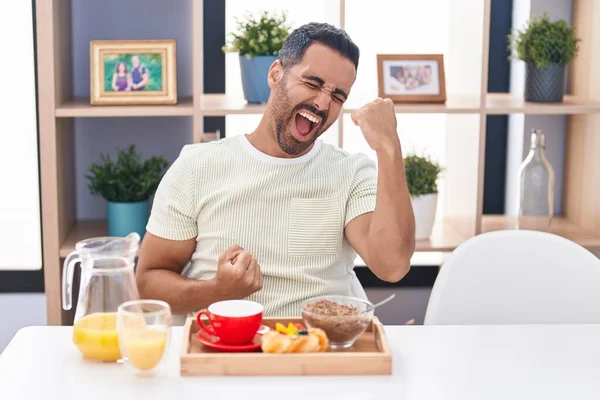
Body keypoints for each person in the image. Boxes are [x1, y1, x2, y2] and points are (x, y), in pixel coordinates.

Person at [135, 22, 416, 321]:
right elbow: (147, 284)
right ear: (275, 74)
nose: (323, 102)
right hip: (225, 350)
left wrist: (389, 149)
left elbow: (392, 266)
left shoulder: (351, 173)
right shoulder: (196, 166)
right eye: (312, 83)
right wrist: (217, 291)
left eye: (338, 96)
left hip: (324, 348)